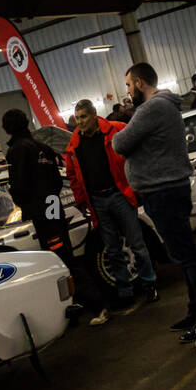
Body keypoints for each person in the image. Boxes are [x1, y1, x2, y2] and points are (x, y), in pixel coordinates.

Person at [111, 63, 196, 344]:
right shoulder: (165, 106)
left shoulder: (151, 108)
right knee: (184, 255)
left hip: (163, 192)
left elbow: (119, 143)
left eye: (129, 85)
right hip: (169, 190)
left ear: (141, 82)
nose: (127, 91)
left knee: (187, 256)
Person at [3, 108, 104, 324]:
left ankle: (98, 305)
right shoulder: (43, 147)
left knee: (62, 260)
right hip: (52, 206)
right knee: (62, 256)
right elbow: (58, 179)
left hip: (42, 212)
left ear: (7, 128)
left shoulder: (18, 150)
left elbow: (19, 185)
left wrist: (23, 202)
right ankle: (76, 306)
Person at [62, 98, 157, 312]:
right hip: (97, 202)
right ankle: (125, 292)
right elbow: (72, 175)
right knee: (112, 249)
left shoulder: (116, 130)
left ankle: (149, 283)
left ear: (94, 115)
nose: (80, 122)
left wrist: (136, 185)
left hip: (119, 196)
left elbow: (138, 150)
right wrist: (81, 201)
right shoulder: (74, 144)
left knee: (136, 243)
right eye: (77, 118)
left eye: (84, 117)